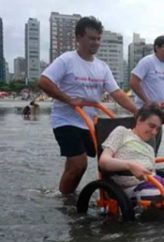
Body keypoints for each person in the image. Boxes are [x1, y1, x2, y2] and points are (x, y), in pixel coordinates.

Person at [38, 16, 138, 195]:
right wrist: (69, 100)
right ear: (78, 37)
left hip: (91, 123)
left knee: (111, 158)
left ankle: (109, 197)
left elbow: (117, 93)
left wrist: (138, 112)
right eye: (91, 38)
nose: (96, 42)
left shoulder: (102, 67)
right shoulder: (66, 60)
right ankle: (64, 199)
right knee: (79, 164)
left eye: (98, 39)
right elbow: (44, 81)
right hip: (66, 120)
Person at [130, 35, 164, 155]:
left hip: (159, 112)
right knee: (141, 148)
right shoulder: (147, 61)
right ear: (157, 48)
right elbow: (133, 82)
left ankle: (150, 170)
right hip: (144, 111)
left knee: (154, 149)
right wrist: (147, 100)